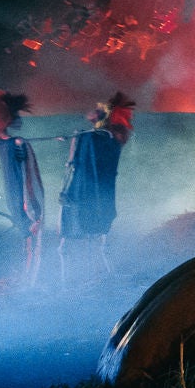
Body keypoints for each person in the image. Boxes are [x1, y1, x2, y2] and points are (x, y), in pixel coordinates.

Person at [0, 73, 44, 283]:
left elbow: (27, 175)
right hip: (12, 193)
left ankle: (31, 272)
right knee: (22, 225)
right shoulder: (3, 141)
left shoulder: (16, 143)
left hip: (20, 193)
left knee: (28, 228)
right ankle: (28, 267)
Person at [59, 92, 134, 277]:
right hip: (95, 190)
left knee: (93, 229)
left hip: (92, 191)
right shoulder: (102, 138)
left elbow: (75, 163)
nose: (91, 114)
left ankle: (91, 273)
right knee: (94, 230)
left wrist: (77, 139)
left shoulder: (101, 138)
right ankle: (86, 273)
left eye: (97, 112)